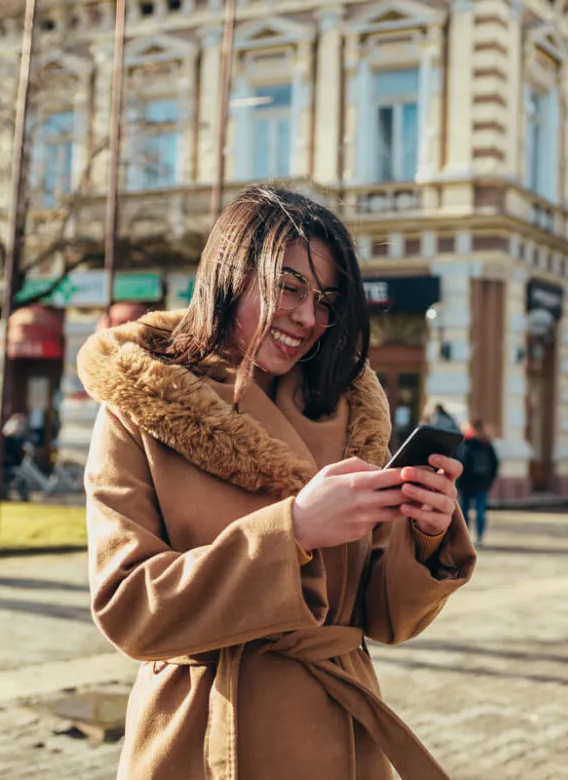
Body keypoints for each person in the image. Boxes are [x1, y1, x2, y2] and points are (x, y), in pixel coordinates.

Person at [78, 185, 476, 780]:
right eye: (288, 287)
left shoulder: (346, 414)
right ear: (228, 274)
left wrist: (425, 535)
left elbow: (387, 620)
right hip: (201, 735)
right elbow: (130, 609)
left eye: (326, 299)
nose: (308, 317)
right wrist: (289, 532)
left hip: (340, 735)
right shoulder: (139, 406)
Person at [456, 419, 500, 547]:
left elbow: (458, 461)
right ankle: (479, 538)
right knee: (480, 511)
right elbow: (495, 463)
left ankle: (464, 537)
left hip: (466, 483)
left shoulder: (465, 443)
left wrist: (457, 480)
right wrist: (490, 480)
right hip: (482, 483)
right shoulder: (486, 443)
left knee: (464, 511)